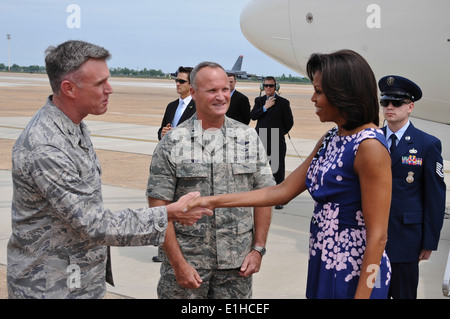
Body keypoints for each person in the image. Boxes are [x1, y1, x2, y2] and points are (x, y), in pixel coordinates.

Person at [7, 40, 212, 299]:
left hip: (77, 279)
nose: (110, 89)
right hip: (50, 286)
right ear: (69, 88)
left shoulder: (73, 126)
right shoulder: (47, 146)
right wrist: (167, 214)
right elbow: (93, 223)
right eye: (99, 83)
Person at [186, 50, 393, 299]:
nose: (313, 99)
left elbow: (378, 237)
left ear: (342, 94)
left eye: (318, 91)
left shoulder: (370, 147)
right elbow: (280, 192)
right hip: (326, 260)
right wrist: (211, 201)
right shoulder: (331, 138)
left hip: (356, 271)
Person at [146, 61, 275, 299]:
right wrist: (178, 264)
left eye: (225, 89)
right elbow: (158, 210)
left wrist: (258, 249)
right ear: (193, 93)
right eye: (212, 91)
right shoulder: (173, 142)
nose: (221, 97)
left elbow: (265, 195)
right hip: (188, 269)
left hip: (237, 269)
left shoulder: (248, 138)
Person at [378, 75, 446, 299]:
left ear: (410, 107)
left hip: (405, 241)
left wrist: (429, 241)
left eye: (396, 103)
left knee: (403, 295)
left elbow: (434, 197)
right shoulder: (370, 139)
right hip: (371, 240)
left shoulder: (427, 145)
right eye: (385, 102)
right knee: (373, 292)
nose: (390, 107)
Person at [250, 76, 293, 209]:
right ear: (263, 87)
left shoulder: (283, 102)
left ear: (276, 87)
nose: (268, 88)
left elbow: (289, 122)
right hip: (261, 137)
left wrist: (279, 133)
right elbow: (253, 115)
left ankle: (278, 199)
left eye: (271, 86)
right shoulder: (259, 101)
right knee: (261, 169)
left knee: (277, 170)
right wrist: (265, 107)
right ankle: (262, 196)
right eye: (266, 86)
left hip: (276, 137)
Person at [158, 66, 196, 140]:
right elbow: (161, 130)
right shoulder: (171, 106)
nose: (178, 84)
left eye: (182, 81)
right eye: (176, 81)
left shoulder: (199, 107)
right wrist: (162, 134)